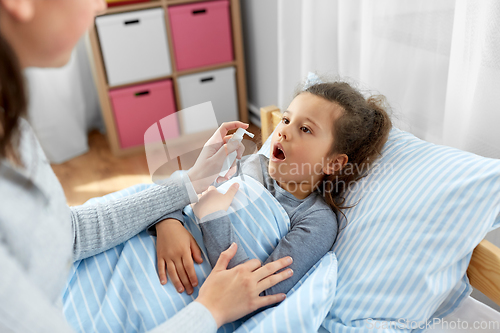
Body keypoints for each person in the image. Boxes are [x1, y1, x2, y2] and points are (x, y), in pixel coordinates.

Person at [0, 0, 293, 332]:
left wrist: (189, 185)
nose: (100, 6)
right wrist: (210, 311)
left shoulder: (11, 126)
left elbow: (66, 231)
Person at [154, 80, 393, 298]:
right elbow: (179, 185)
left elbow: (262, 290)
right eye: (286, 120)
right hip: (155, 247)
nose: (283, 131)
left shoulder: (315, 219)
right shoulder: (251, 164)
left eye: (305, 129)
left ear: (333, 162)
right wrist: (168, 222)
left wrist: (212, 217)